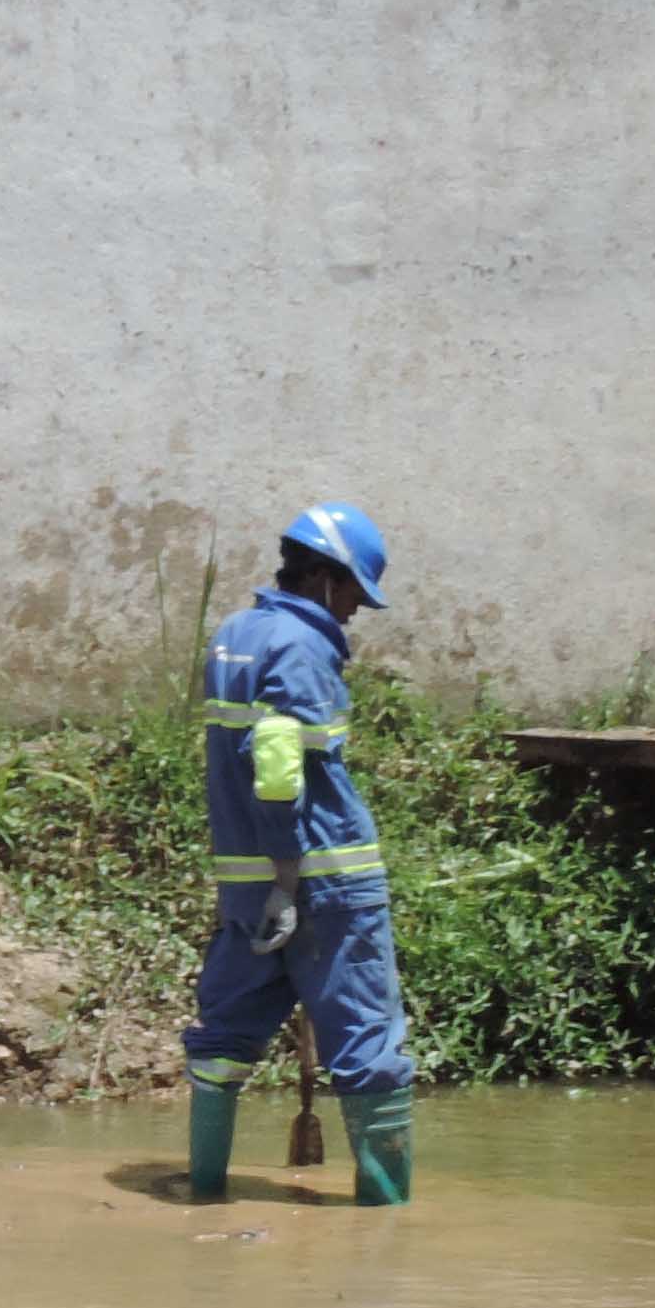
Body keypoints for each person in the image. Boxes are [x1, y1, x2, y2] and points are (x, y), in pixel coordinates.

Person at [183, 506, 413, 1209]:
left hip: (249, 894)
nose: (352, 614)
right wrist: (291, 877)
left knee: (223, 1043)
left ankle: (204, 1192)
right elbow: (279, 762)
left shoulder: (235, 635)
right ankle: (385, 1229)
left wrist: (271, 886)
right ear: (322, 576)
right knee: (371, 1053)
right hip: (327, 888)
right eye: (351, 596)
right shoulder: (303, 645)